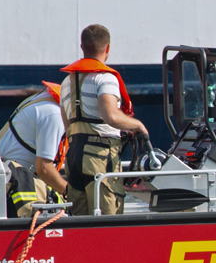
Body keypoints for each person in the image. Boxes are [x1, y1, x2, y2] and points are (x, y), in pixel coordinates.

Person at [59, 23, 149, 215]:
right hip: (100, 158)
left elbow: (67, 125)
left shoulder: (66, 83)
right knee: (108, 219)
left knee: (79, 221)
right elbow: (111, 116)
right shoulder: (105, 78)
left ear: (82, 47)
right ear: (107, 48)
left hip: (74, 158)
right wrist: (137, 125)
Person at [0, 80, 69, 219]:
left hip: (4, 178)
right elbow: (44, 169)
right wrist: (71, 194)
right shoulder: (54, 114)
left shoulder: (42, 99)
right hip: (14, 188)